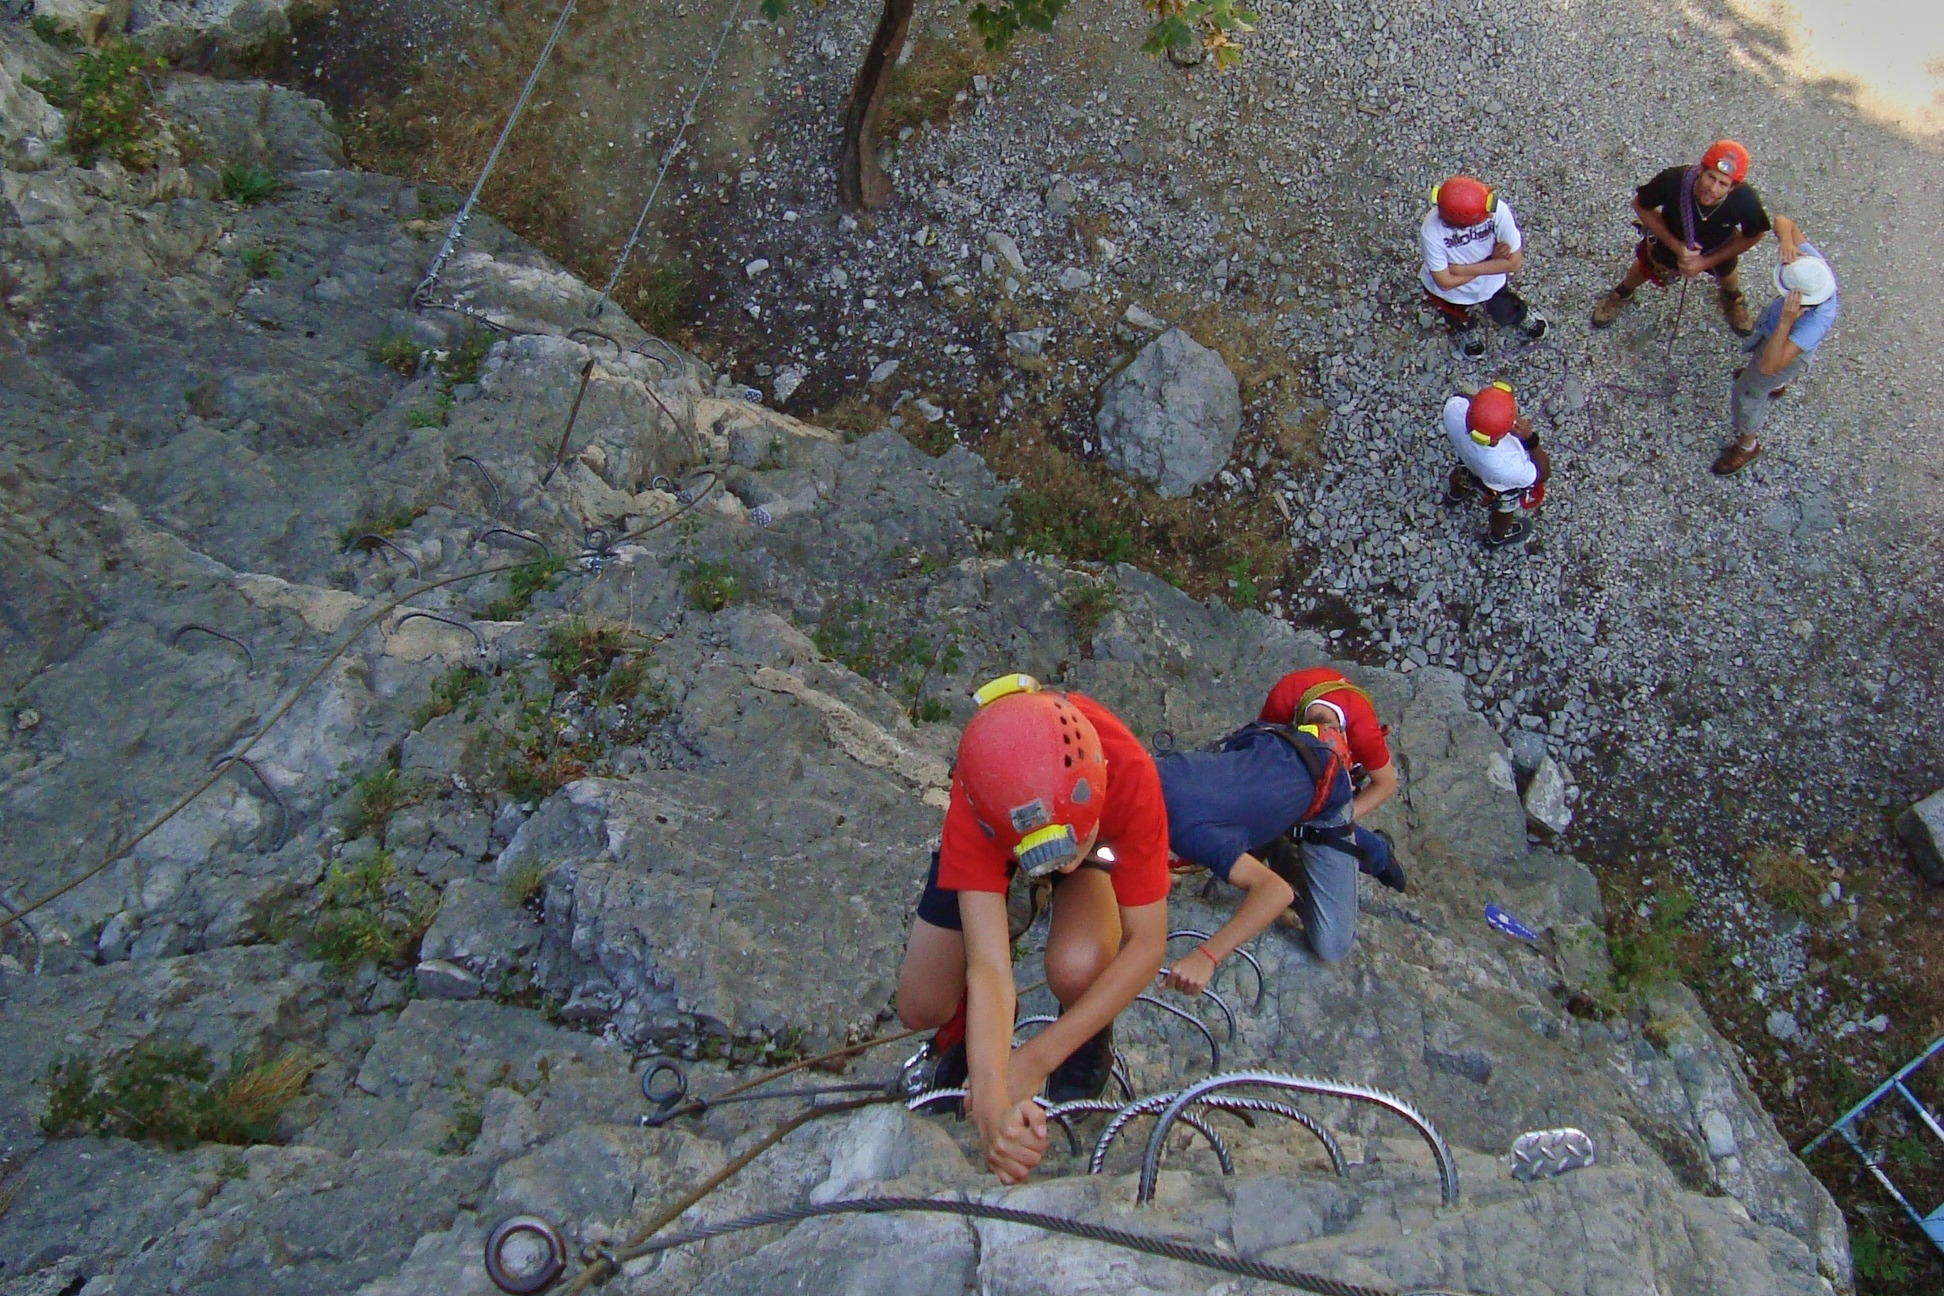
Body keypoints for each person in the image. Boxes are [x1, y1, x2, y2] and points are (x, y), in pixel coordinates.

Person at [896, 674, 1169, 1185]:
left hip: (1084, 829)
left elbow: (1148, 943)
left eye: (1071, 850)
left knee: (1077, 964)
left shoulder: (1129, 771)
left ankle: (1087, 1039)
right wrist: (993, 1101)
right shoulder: (982, 787)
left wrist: (1037, 1058)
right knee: (921, 1002)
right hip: (999, 831)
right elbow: (990, 964)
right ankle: (968, 1035)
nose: (1058, 868)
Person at [1155, 710, 1403, 990]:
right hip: (1268, 746)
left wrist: (1207, 956)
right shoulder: (1148, 769)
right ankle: (1277, 830)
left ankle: (1377, 853)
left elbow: (1275, 892)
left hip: (1325, 784)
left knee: (1331, 945)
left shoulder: (1190, 831)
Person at [1590, 139, 1772, 336]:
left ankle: (1732, 298)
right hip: (1670, 239)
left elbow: (1754, 234)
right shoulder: (1673, 180)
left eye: (1723, 184)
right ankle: (1622, 293)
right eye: (1711, 177)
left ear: (1732, 188)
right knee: (1645, 267)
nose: (1713, 188)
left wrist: (1704, 262)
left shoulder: (1745, 201)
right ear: (1701, 170)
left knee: (1727, 273)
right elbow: (1641, 205)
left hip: (1718, 248)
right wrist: (1677, 248)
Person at [1712, 215, 1838, 476]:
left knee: (1748, 392)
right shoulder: (1812, 268)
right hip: (1775, 337)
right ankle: (1776, 388)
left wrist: (1785, 323)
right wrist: (1788, 242)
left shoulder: (1816, 321)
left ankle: (1747, 446)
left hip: (1784, 352)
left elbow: (1770, 365)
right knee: (1761, 372)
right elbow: (1783, 221)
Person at [1418, 174, 1549, 359]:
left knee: (1505, 307)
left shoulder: (1498, 210)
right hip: (1452, 294)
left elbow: (1514, 262)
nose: (1490, 211)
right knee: (1457, 316)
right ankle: (1464, 329)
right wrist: (1493, 262)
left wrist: (1465, 270)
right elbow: (1444, 282)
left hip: (1492, 284)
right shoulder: (1431, 232)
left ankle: (1518, 316)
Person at [1258, 667, 1398, 821]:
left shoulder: (1364, 734)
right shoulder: (1283, 698)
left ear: (1344, 735)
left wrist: (1341, 819)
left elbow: (1386, 785)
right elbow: (1262, 752)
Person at [1439, 382, 1549, 547]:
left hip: (1467, 461)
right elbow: (1542, 474)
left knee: (1462, 475)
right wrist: (1530, 439)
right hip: (1497, 485)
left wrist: (1487, 409)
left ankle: (1454, 496)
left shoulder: (1453, 409)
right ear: (1498, 437)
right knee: (1503, 511)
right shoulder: (1506, 465)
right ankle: (1496, 537)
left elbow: (1464, 398)